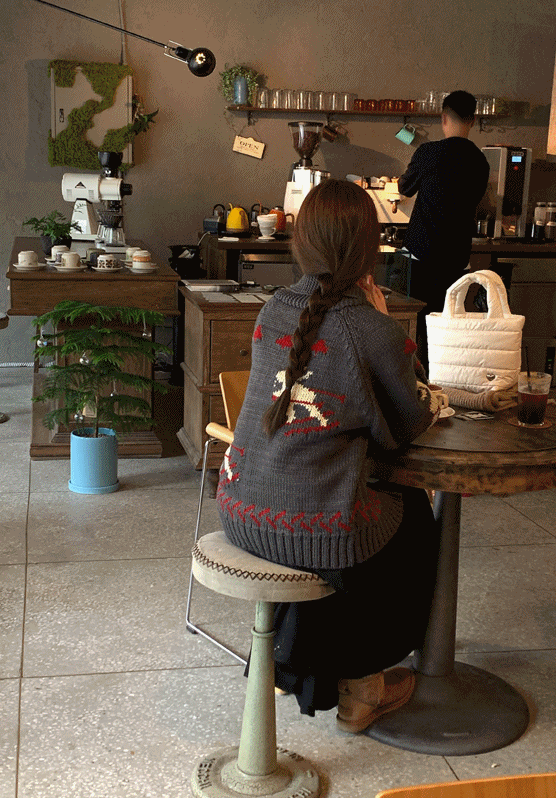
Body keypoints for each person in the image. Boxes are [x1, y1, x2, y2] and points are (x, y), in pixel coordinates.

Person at [216, 178, 443, 728]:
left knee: (342, 507)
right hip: (303, 527)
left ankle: (300, 662)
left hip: (240, 507)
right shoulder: (370, 328)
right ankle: (362, 683)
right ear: (370, 248)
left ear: (302, 242)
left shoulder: (273, 309)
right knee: (408, 519)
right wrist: (386, 322)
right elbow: (410, 421)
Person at [398, 90, 490, 371]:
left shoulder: (428, 152)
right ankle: (443, 381)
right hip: (457, 260)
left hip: (421, 257)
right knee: (447, 329)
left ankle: (415, 383)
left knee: (413, 326)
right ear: (472, 120)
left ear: (443, 118)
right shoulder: (480, 161)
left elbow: (404, 188)